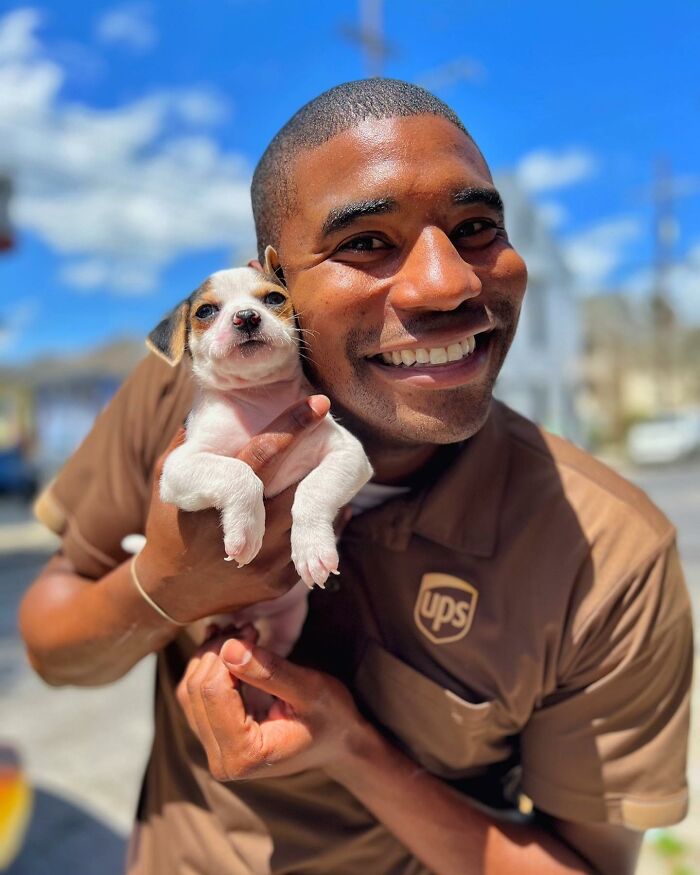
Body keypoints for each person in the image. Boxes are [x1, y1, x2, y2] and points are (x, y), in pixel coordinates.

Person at [20, 79, 691, 875]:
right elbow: (55, 649)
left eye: (476, 227)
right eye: (367, 242)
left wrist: (351, 747)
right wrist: (166, 584)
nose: (447, 284)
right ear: (274, 277)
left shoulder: (608, 552)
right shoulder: (187, 391)